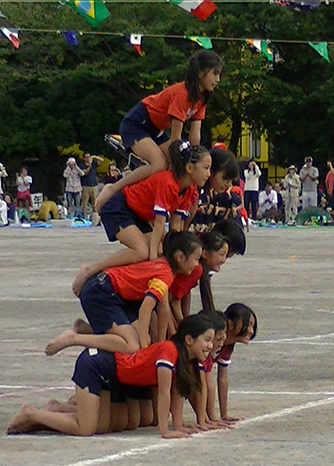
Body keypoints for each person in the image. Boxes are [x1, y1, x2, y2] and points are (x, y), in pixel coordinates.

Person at [7, 313, 225, 438]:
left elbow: (177, 395)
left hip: (117, 376)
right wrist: (165, 431)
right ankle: (31, 413)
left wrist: (182, 425)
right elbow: (165, 393)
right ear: (188, 339)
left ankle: (55, 409)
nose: (210, 346)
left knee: (110, 425)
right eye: (206, 340)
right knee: (86, 429)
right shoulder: (170, 351)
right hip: (99, 364)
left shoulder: (186, 361)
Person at [72, 142, 214, 297]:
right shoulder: (168, 183)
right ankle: (91, 269)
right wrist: (153, 255)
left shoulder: (190, 190)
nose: (209, 174)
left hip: (140, 215)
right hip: (120, 208)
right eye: (206, 168)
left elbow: (176, 225)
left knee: (160, 251)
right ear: (189, 168)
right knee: (142, 252)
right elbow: (160, 222)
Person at [95, 51, 224, 212]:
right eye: (215, 73)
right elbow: (176, 139)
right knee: (160, 164)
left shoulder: (201, 98)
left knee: (178, 165)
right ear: (200, 73)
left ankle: (160, 203)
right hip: (138, 123)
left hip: (157, 128)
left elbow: (195, 135)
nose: (218, 80)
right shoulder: (181, 94)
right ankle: (113, 188)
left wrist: (196, 160)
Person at [46, 231, 203, 356]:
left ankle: (84, 328)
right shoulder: (166, 275)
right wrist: (144, 348)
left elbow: (163, 310)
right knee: (133, 346)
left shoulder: (163, 266)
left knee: (145, 338)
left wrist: (160, 345)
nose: (197, 265)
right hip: (101, 291)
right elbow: (146, 309)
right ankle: (73, 338)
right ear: (180, 257)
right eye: (196, 259)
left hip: (111, 292)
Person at [159, 231, 229, 340]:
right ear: (205, 254)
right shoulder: (195, 270)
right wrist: (181, 327)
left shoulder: (192, 268)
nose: (224, 260)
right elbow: (170, 300)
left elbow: (181, 296)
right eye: (222, 254)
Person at [194, 304, 257, 425]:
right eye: (247, 325)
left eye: (252, 326)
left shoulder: (227, 346)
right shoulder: (209, 345)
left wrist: (224, 415)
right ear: (231, 324)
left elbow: (222, 379)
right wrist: (209, 419)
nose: (251, 331)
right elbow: (205, 383)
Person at [81, 153, 104, 218]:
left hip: (93, 185)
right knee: (84, 202)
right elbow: (85, 173)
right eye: (87, 157)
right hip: (85, 186)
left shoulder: (94, 164)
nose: (88, 158)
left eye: (89, 157)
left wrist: (94, 157)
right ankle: (84, 216)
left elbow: (102, 160)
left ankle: (96, 215)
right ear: (84, 158)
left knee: (95, 202)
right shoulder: (82, 166)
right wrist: (89, 166)